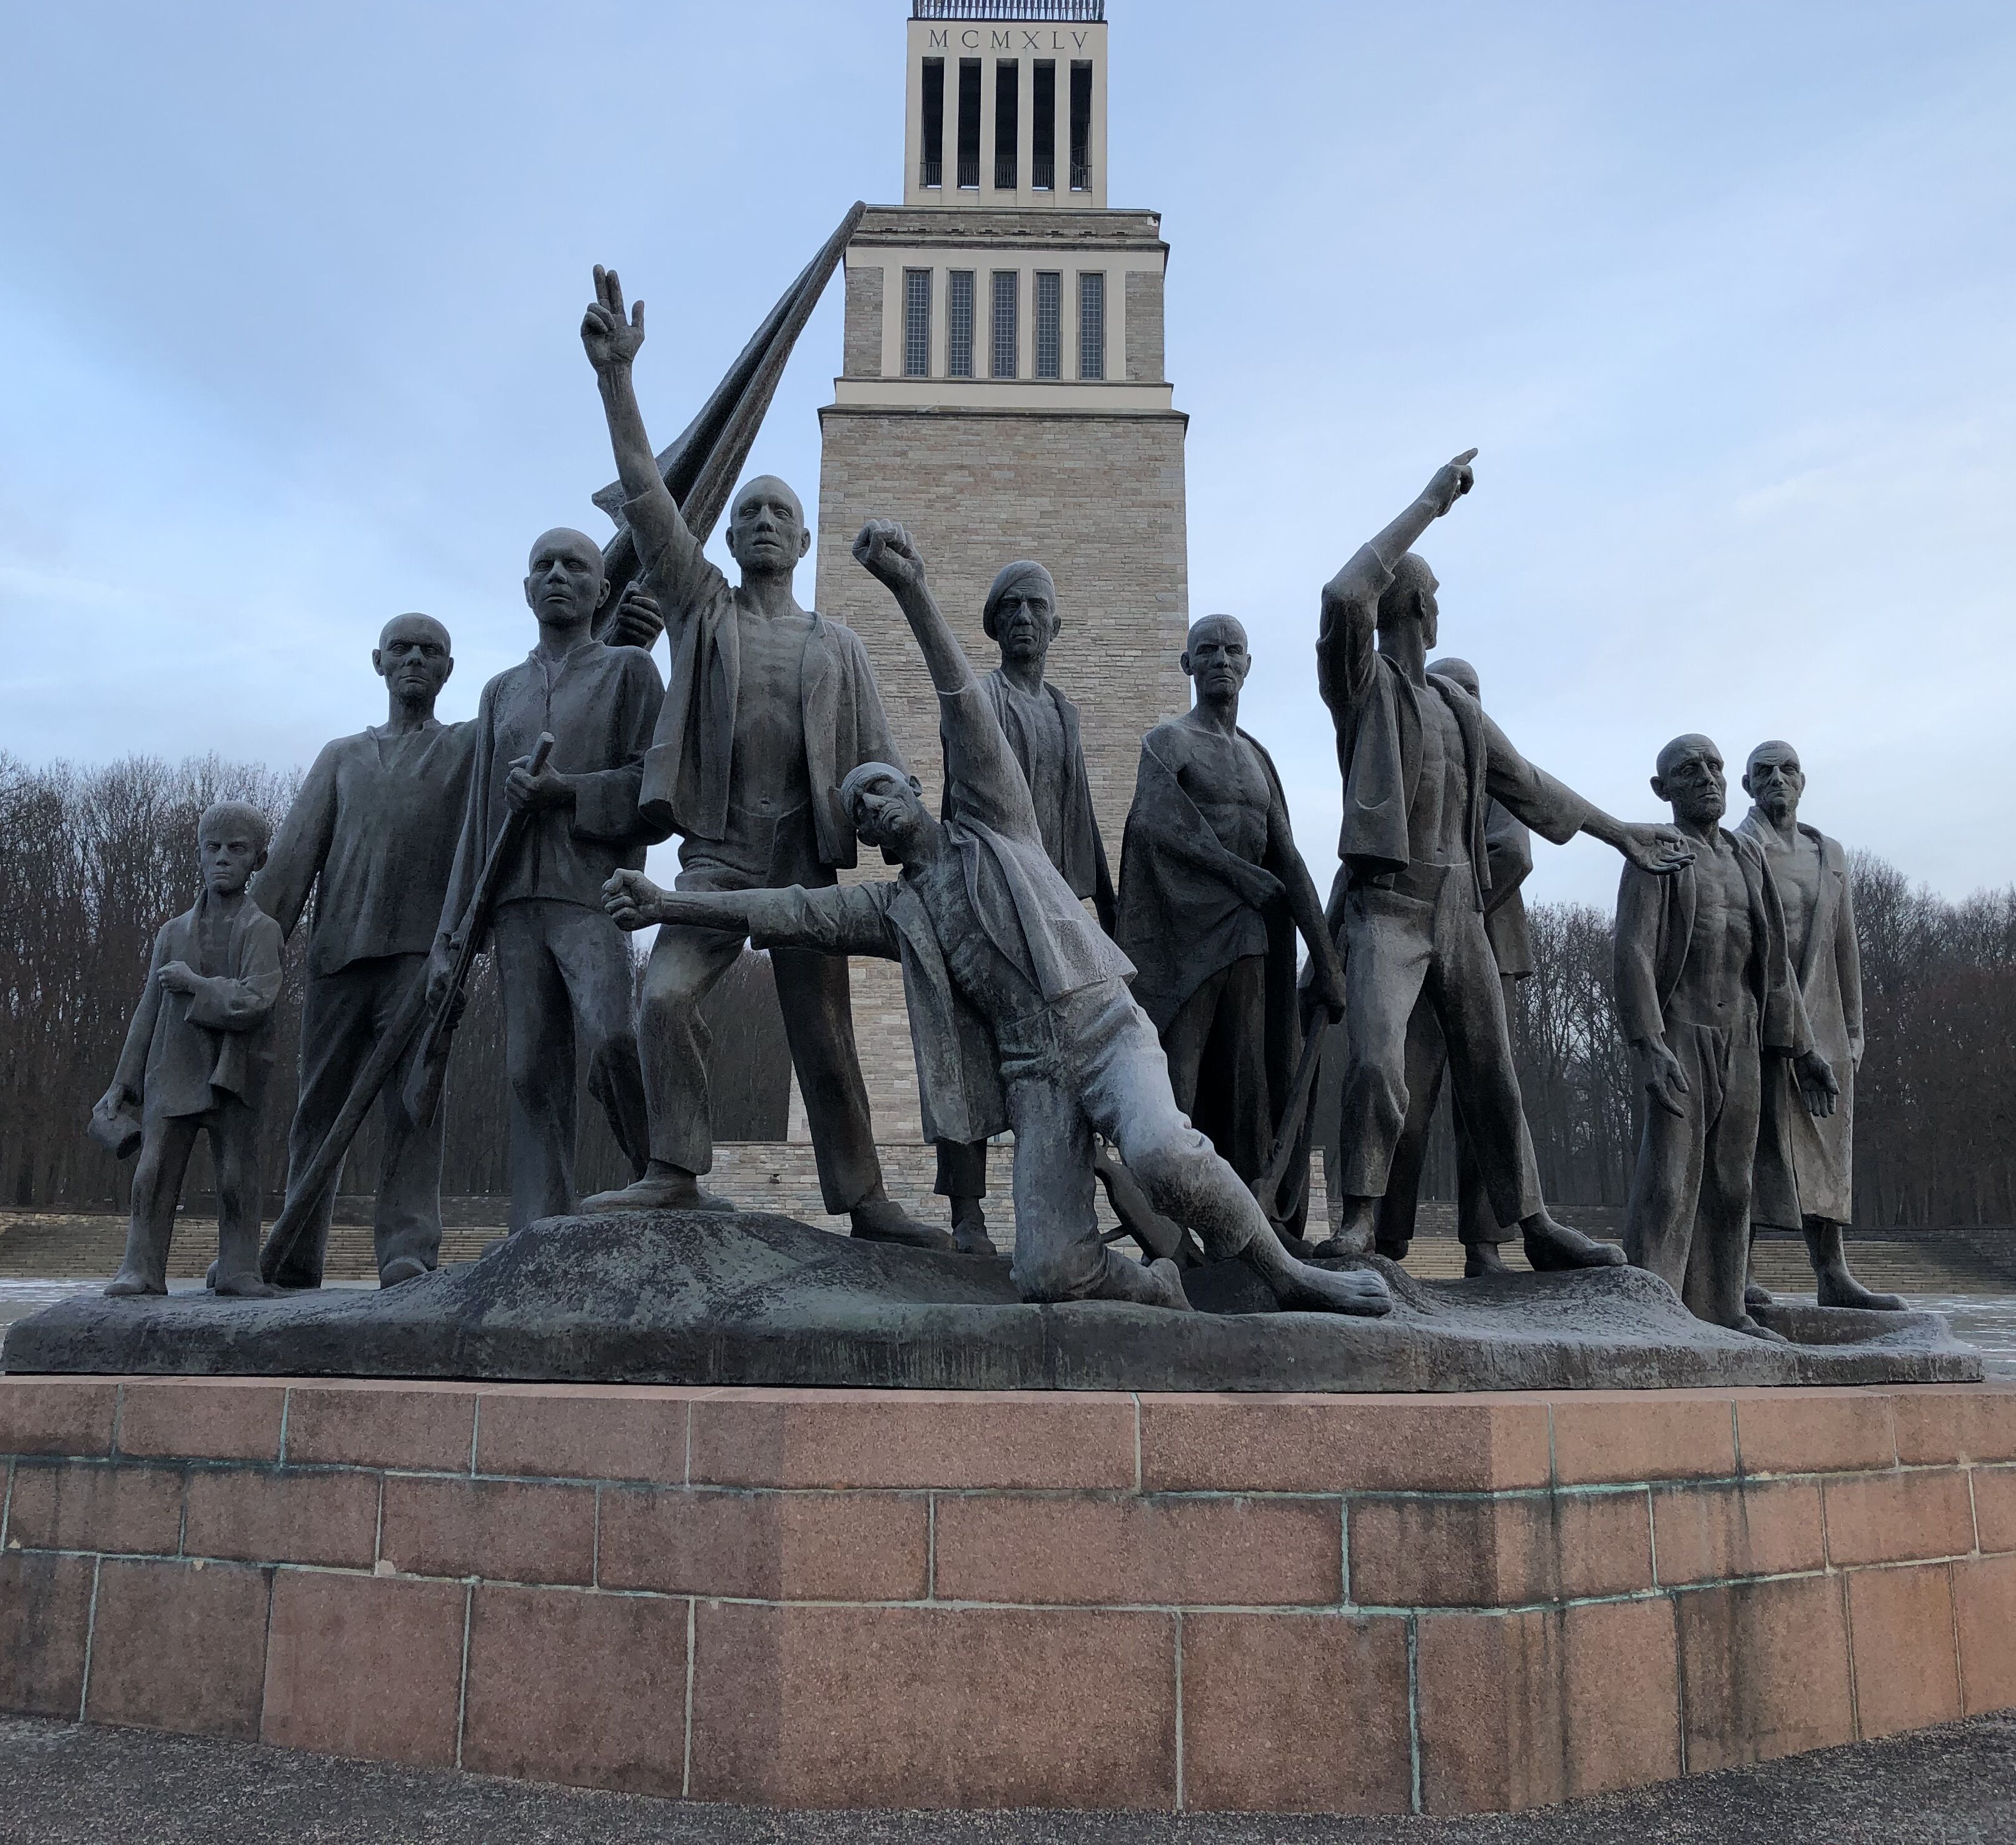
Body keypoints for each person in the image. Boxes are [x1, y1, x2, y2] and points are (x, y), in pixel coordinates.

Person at [604, 520, 1393, 1320]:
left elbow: (961, 704)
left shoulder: (996, 819)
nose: (873, 811)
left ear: (914, 791)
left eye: (882, 791)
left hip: (1101, 1029)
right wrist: (668, 903)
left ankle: (1291, 1277)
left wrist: (910, 590)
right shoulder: (897, 908)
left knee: (1160, 1152)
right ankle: (1149, 1283)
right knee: (1047, 1270)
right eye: (859, 812)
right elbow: (790, 909)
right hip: (1035, 1074)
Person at [584, 264, 943, 1247]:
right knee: (664, 998)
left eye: (777, 513)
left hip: (806, 858)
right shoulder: (703, 613)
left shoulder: (840, 645)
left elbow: (884, 760)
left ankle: (865, 1201)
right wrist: (619, 383)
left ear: (804, 535)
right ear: (730, 538)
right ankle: (672, 1170)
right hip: (718, 852)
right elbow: (654, 502)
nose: (759, 525)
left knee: (826, 1039)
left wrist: (910, 821)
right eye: (745, 515)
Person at [1315, 453, 1686, 1265]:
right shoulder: (1364, 687)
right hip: (1389, 904)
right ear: (1414, 605)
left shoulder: (1456, 708)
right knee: (1378, 1063)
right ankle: (1358, 1218)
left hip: (1460, 913)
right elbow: (1343, 595)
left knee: (1493, 1076)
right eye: (1436, 599)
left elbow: (1528, 786)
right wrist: (1426, 505)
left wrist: (1617, 831)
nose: (1440, 613)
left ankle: (1532, 1226)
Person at [432, 528, 664, 1233]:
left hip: (590, 892)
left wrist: (566, 792)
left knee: (616, 1038)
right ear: (527, 588)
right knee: (530, 1069)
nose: (558, 575)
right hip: (513, 901)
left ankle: (662, 1180)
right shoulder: (501, 690)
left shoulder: (629, 672)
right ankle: (538, 1226)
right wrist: (454, 931)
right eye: (544, 566)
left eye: (575, 566)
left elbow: (653, 794)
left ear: (602, 589)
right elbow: (477, 816)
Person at [250, 614, 475, 1289]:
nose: (414, 660)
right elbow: (289, 866)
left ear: (448, 669)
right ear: (377, 661)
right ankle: (296, 1248)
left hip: (420, 960)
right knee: (318, 1107)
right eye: (401, 649)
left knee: (413, 1108)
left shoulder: (465, 748)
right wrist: (249, 953)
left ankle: (407, 1249)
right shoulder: (341, 757)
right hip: (338, 960)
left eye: (429, 651)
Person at [1116, 614, 1342, 1233]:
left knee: (1249, 1076)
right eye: (1206, 650)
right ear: (1187, 665)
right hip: (1185, 934)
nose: (1220, 660)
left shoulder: (1257, 758)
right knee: (1178, 1070)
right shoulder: (1169, 741)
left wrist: (1325, 961)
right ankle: (1165, 1216)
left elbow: (1287, 857)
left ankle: (1243, 1220)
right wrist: (1234, 873)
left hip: (1248, 939)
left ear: (1247, 665)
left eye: (1232, 650)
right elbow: (1152, 825)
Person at [1613, 734, 1838, 1333]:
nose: (1708, 778)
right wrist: (1648, 1042)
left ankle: (1721, 1309)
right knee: (1669, 1176)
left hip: (1741, 1034)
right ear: (1663, 790)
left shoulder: (1746, 857)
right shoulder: (1657, 853)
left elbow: (1773, 968)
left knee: (1732, 1181)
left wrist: (1805, 1049)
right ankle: (1653, 1308)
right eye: (1690, 770)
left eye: (1714, 766)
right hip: (1682, 1030)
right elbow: (1633, 954)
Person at [936, 559, 1119, 1254]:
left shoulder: (1064, 710)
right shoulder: (981, 698)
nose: (1021, 618)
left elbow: (1080, 811)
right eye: (1009, 607)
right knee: (969, 1054)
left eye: (1034, 606)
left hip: (1052, 907)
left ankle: (1066, 1216)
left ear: (1055, 623)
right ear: (994, 624)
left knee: (1066, 1058)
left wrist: (1103, 897)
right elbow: (959, 800)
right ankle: (966, 1217)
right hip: (988, 898)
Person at [1376, 657, 1541, 1270]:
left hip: (1485, 948)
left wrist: (1453, 916)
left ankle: (1484, 1243)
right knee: (1406, 1097)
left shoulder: (1494, 771)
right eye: (1452, 691)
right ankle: (1388, 1239)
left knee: (1485, 1105)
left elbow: (1512, 853)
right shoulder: (1418, 764)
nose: (1462, 702)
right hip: (1416, 954)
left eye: (1471, 691)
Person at [1736, 741, 1903, 1311]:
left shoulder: (1827, 851)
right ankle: (1738, 1272)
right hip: (1761, 1013)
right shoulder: (1741, 847)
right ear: (1747, 785)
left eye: (1787, 769)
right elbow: (1757, 942)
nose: (1777, 779)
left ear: (1803, 780)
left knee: (1829, 1143)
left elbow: (1843, 945)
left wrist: (1853, 1029)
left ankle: (1832, 1272)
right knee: (1756, 1142)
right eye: (1764, 772)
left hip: (1827, 1017)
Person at [94, 801, 283, 1298]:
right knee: (152, 1172)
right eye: (213, 848)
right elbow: (147, 1011)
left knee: (236, 1175)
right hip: (173, 1069)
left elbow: (257, 1000)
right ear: (198, 855)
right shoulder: (171, 933)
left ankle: (240, 1268)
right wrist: (122, 1083)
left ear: (257, 860)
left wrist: (196, 985)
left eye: (236, 849)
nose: (223, 858)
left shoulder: (262, 931)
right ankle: (141, 1268)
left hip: (234, 1072)